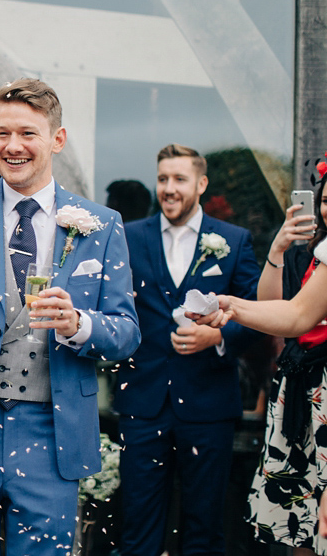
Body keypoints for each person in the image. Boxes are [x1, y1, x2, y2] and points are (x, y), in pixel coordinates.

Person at [0, 77, 140, 556]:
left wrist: (79, 324)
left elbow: (127, 331)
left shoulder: (101, 225)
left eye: (27, 133)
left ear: (57, 139)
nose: (12, 146)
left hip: (53, 434)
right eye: (1, 134)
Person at [117, 144, 261, 556]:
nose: (169, 188)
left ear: (201, 184)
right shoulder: (129, 236)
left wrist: (219, 338)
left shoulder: (234, 240)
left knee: (205, 529)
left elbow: (259, 316)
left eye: (179, 179)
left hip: (208, 406)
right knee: (138, 528)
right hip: (143, 403)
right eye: (162, 179)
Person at [219, 165, 327, 554]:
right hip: (304, 386)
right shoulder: (312, 254)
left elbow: (297, 316)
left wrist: (231, 307)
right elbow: (278, 309)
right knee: (301, 517)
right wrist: (278, 248)